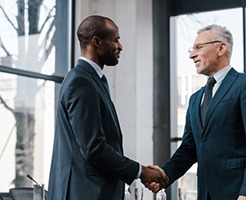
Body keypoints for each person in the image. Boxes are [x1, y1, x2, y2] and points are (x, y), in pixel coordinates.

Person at [48, 15, 167, 200]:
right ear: (96, 42)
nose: (120, 46)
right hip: (84, 193)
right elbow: (94, 149)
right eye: (116, 39)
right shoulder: (81, 81)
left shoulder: (94, 81)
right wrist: (140, 171)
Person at [148, 24, 246, 200]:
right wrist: (164, 175)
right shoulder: (195, 99)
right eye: (192, 49)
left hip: (240, 193)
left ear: (221, 48)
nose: (191, 55)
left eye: (199, 47)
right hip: (206, 194)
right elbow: (189, 149)